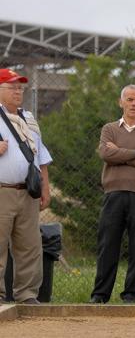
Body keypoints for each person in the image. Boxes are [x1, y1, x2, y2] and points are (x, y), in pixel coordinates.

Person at [89, 84, 135, 304]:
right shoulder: (109, 129)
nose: (133, 103)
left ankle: (131, 294)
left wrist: (119, 153)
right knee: (108, 245)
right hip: (114, 194)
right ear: (120, 102)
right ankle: (100, 295)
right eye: (129, 99)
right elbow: (105, 153)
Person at [0, 69, 52, 305]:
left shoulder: (28, 118)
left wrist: (45, 187)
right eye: (12, 87)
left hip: (27, 192)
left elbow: (40, 156)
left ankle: (27, 294)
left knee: (30, 246)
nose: (18, 91)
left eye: (20, 87)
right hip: (3, 191)